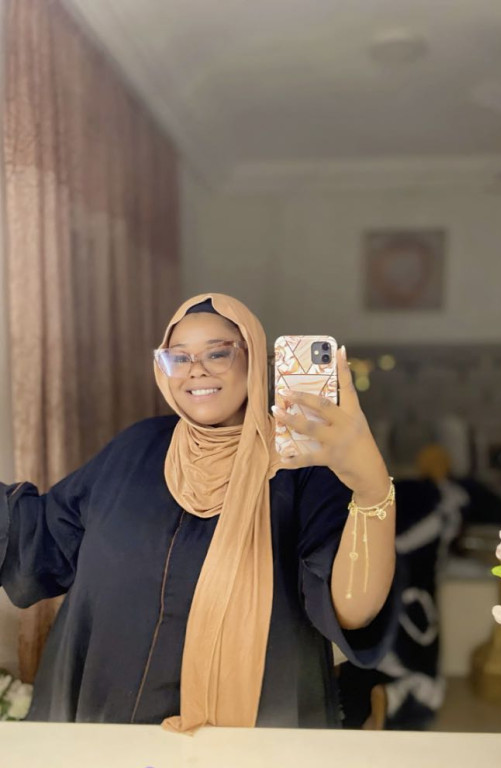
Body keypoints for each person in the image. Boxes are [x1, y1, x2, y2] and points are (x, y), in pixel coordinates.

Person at [0, 293, 401, 732]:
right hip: (108, 729)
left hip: (247, 738)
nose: (196, 369)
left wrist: (370, 486)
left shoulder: (301, 469)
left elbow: (352, 609)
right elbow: (39, 537)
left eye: (217, 353)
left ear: (255, 360)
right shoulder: (136, 449)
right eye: (179, 357)